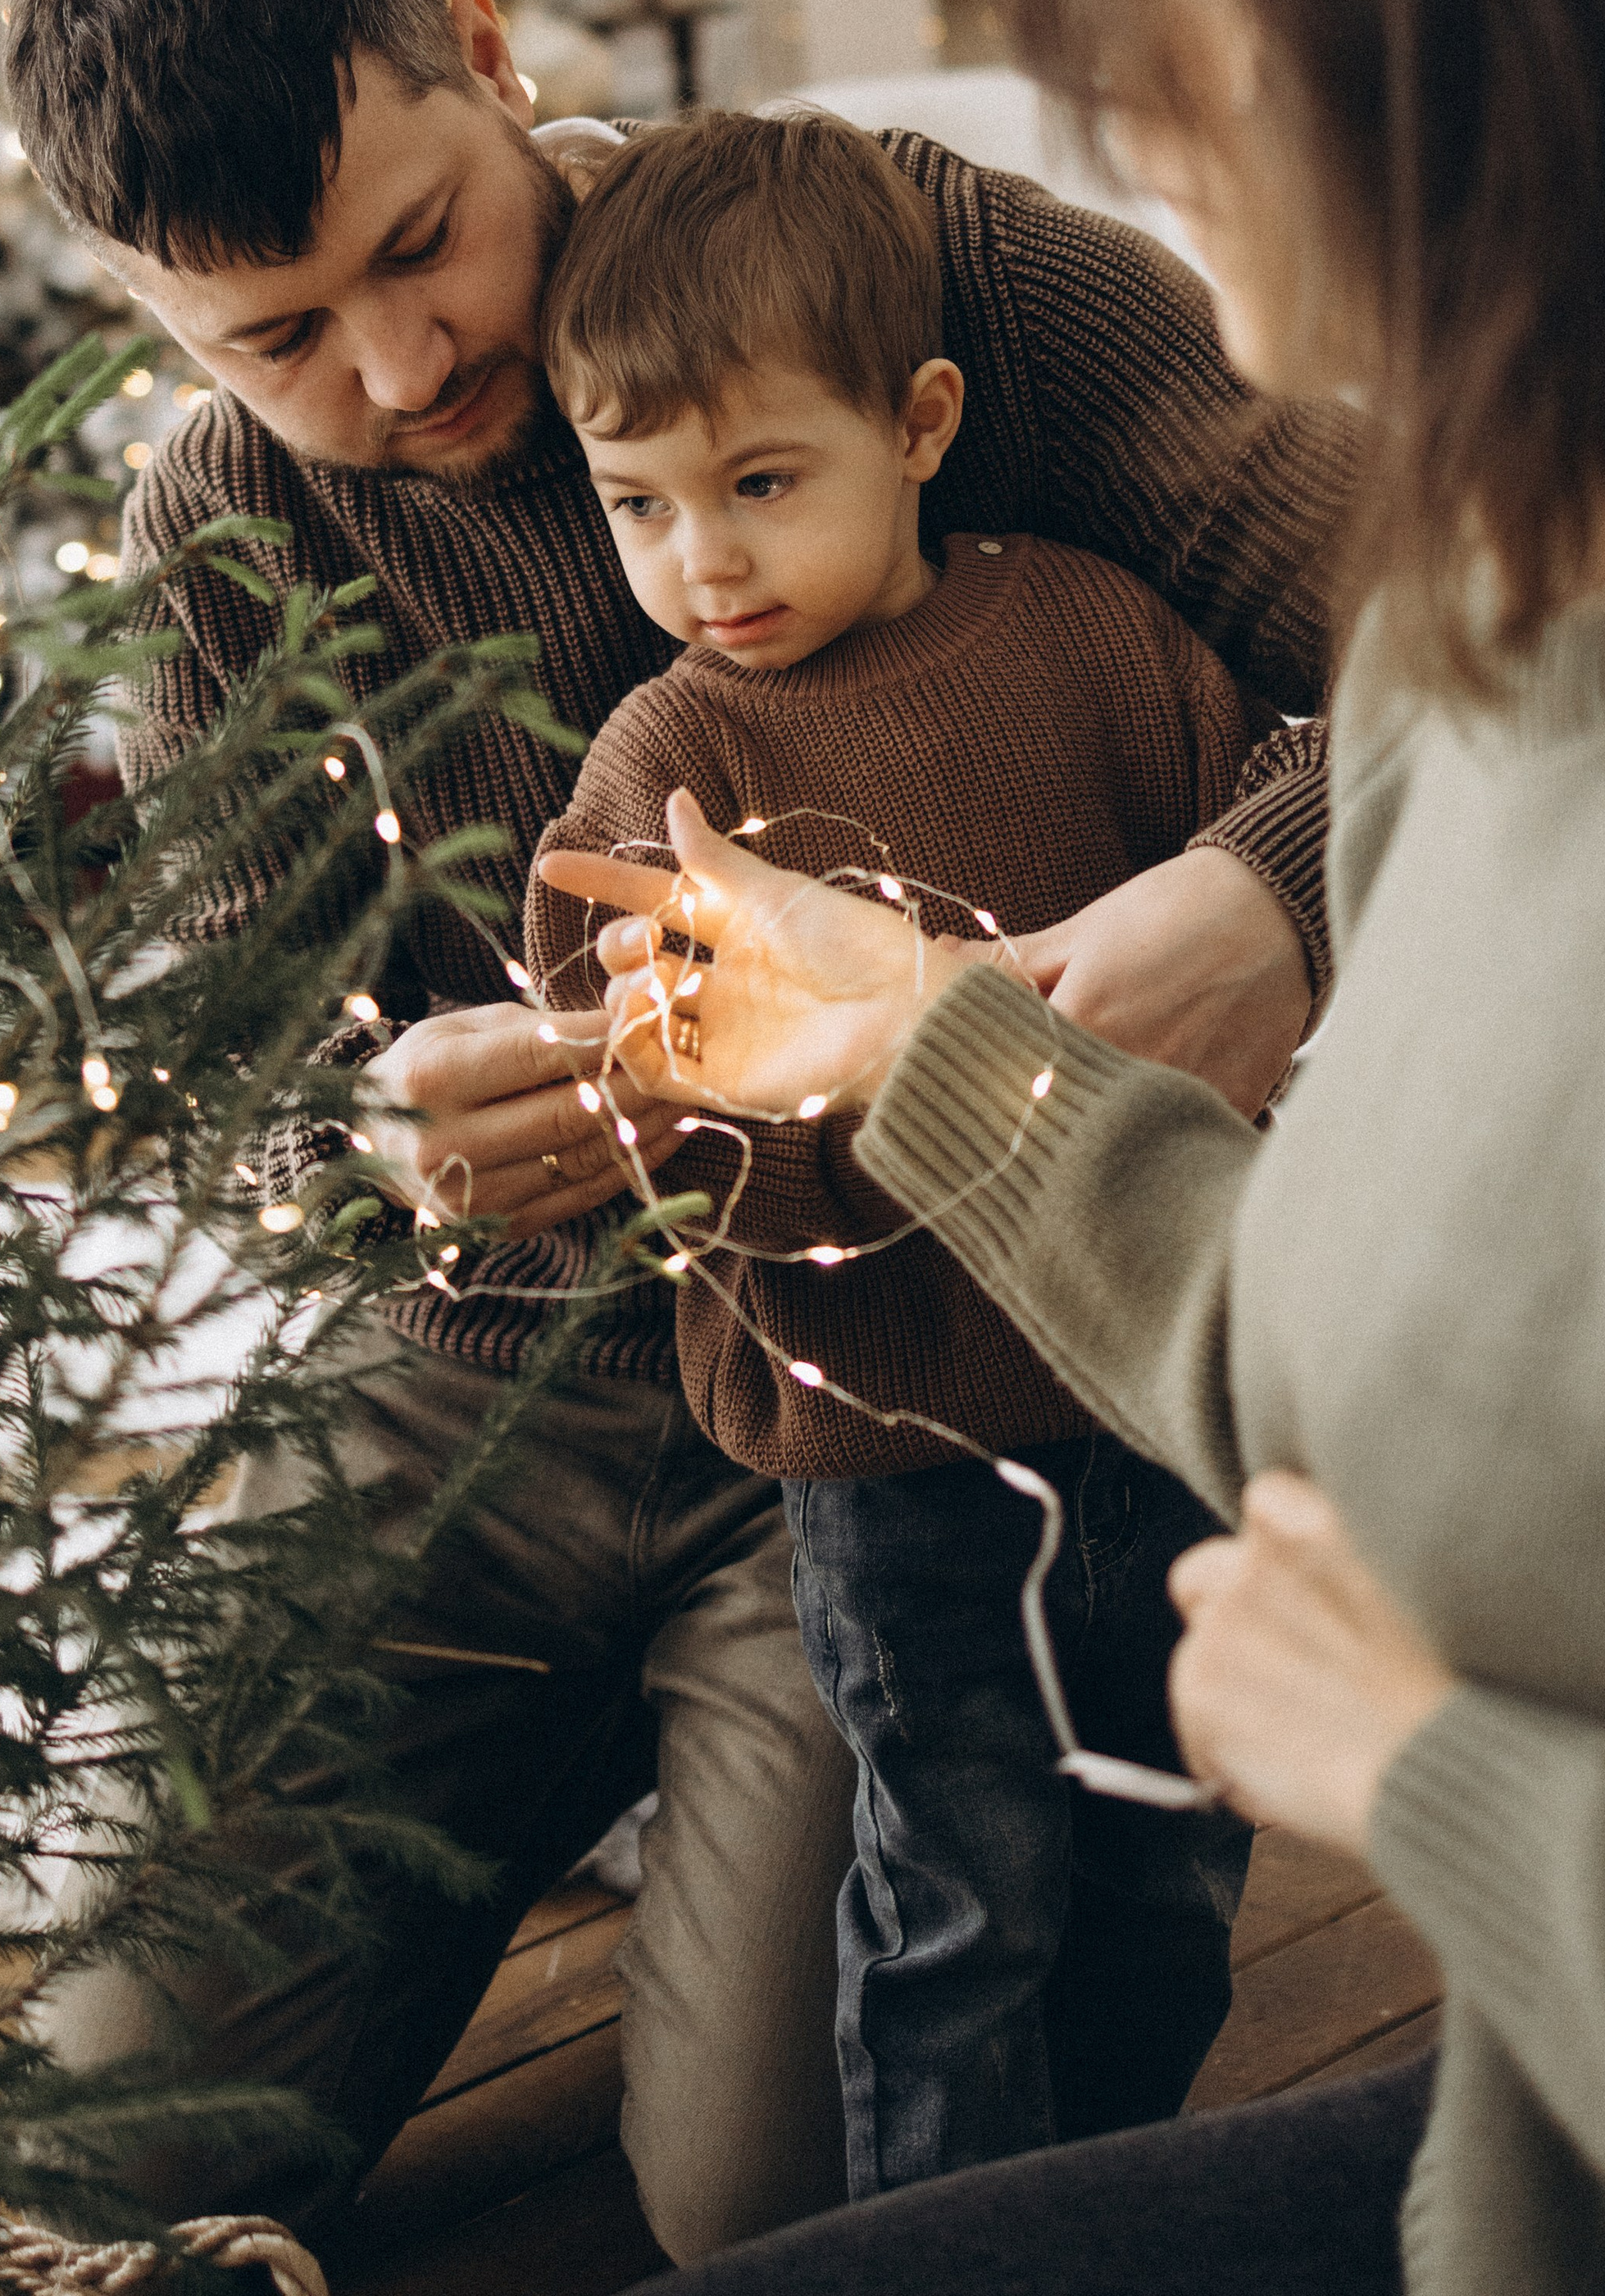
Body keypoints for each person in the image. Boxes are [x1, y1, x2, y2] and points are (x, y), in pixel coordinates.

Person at [548, 0, 1605, 2296]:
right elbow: (1368, 1370)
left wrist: (1430, 1780)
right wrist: (915, 1038)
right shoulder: (1480, 617)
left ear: (1466, 41)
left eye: (1183, 68)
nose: (1121, 145)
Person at [2, 0, 1353, 2261]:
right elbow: (238, 1065)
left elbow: (1475, 625)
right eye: (276, 335)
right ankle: (631, 1765)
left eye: (421, 241)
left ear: (487, 48)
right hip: (471, 1380)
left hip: (914, 1391)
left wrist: (1268, 881)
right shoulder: (219, 518)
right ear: (152, 318)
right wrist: (359, 1135)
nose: (394, 367)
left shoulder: (923, 261)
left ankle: (732, 1770)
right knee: (96, 2144)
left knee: (796, 2197)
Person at [525, 106, 1262, 2195]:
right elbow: (657, 1146)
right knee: (959, 1901)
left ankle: (1101, 2210)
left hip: (1156, 1391)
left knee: (1165, 1869)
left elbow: (1244, 994)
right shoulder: (668, 764)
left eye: (760, 483)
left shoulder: (1101, 642)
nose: (702, 561)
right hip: (895, 1457)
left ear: (919, 422)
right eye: (639, 504)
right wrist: (772, 1125)